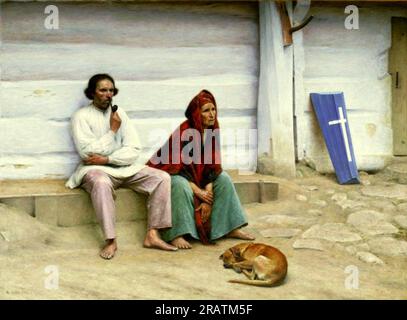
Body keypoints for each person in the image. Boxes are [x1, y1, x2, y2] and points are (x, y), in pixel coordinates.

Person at [66, 74, 178, 259]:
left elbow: (134, 149)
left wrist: (108, 159)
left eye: (111, 90)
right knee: (101, 183)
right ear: (92, 92)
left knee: (161, 178)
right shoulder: (81, 116)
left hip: (122, 167)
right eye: (103, 90)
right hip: (95, 170)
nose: (108, 94)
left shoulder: (120, 114)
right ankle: (111, 240)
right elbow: (87, 153)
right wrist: (112, 131)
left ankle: (153, 234)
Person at [147, 89, 255, 249]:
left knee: (224, 178)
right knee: (179, 184)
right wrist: (199, 192)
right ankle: (177, 234)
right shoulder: (185, 132)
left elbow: (212, 166)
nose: (212, 114)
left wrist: (208, 196)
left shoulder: (212, 130)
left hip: (197, 178)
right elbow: (177, 168)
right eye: (206, 111)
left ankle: (229, 228)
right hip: (174, 174)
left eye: (213, 109)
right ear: (197, 113)